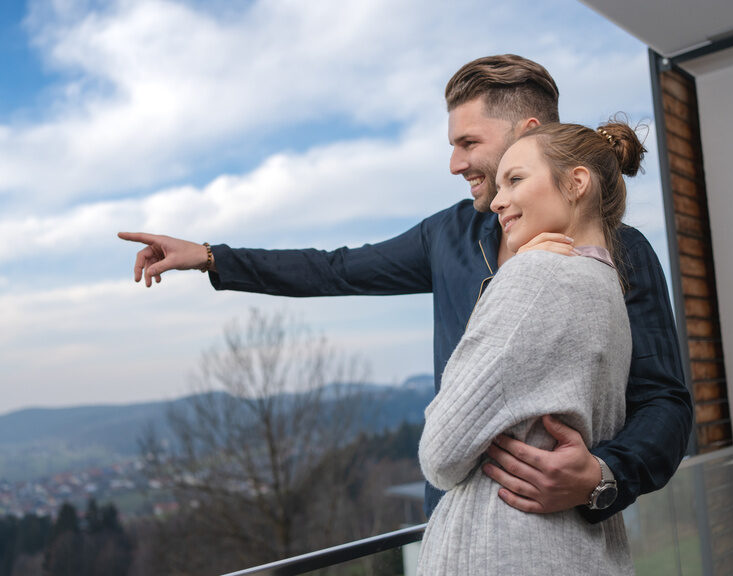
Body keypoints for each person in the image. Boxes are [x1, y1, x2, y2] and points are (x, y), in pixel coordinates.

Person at [118, 54, 692, 523]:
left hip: (562, 540)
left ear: (528, 134)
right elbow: (335, 269)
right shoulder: (446, 236)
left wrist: (602, 476)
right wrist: (214, 257)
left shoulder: (622, 253)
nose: (453, 163)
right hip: (454, 533)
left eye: (468, 143)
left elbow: (664, 402)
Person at [418, 120, 642, 575]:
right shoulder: (608, 286)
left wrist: (514, 276)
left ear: (577, 182)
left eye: (516, 179)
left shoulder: (534, 276)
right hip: (581, 551)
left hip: (504, 552)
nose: (497, 201)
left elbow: (440, 452)